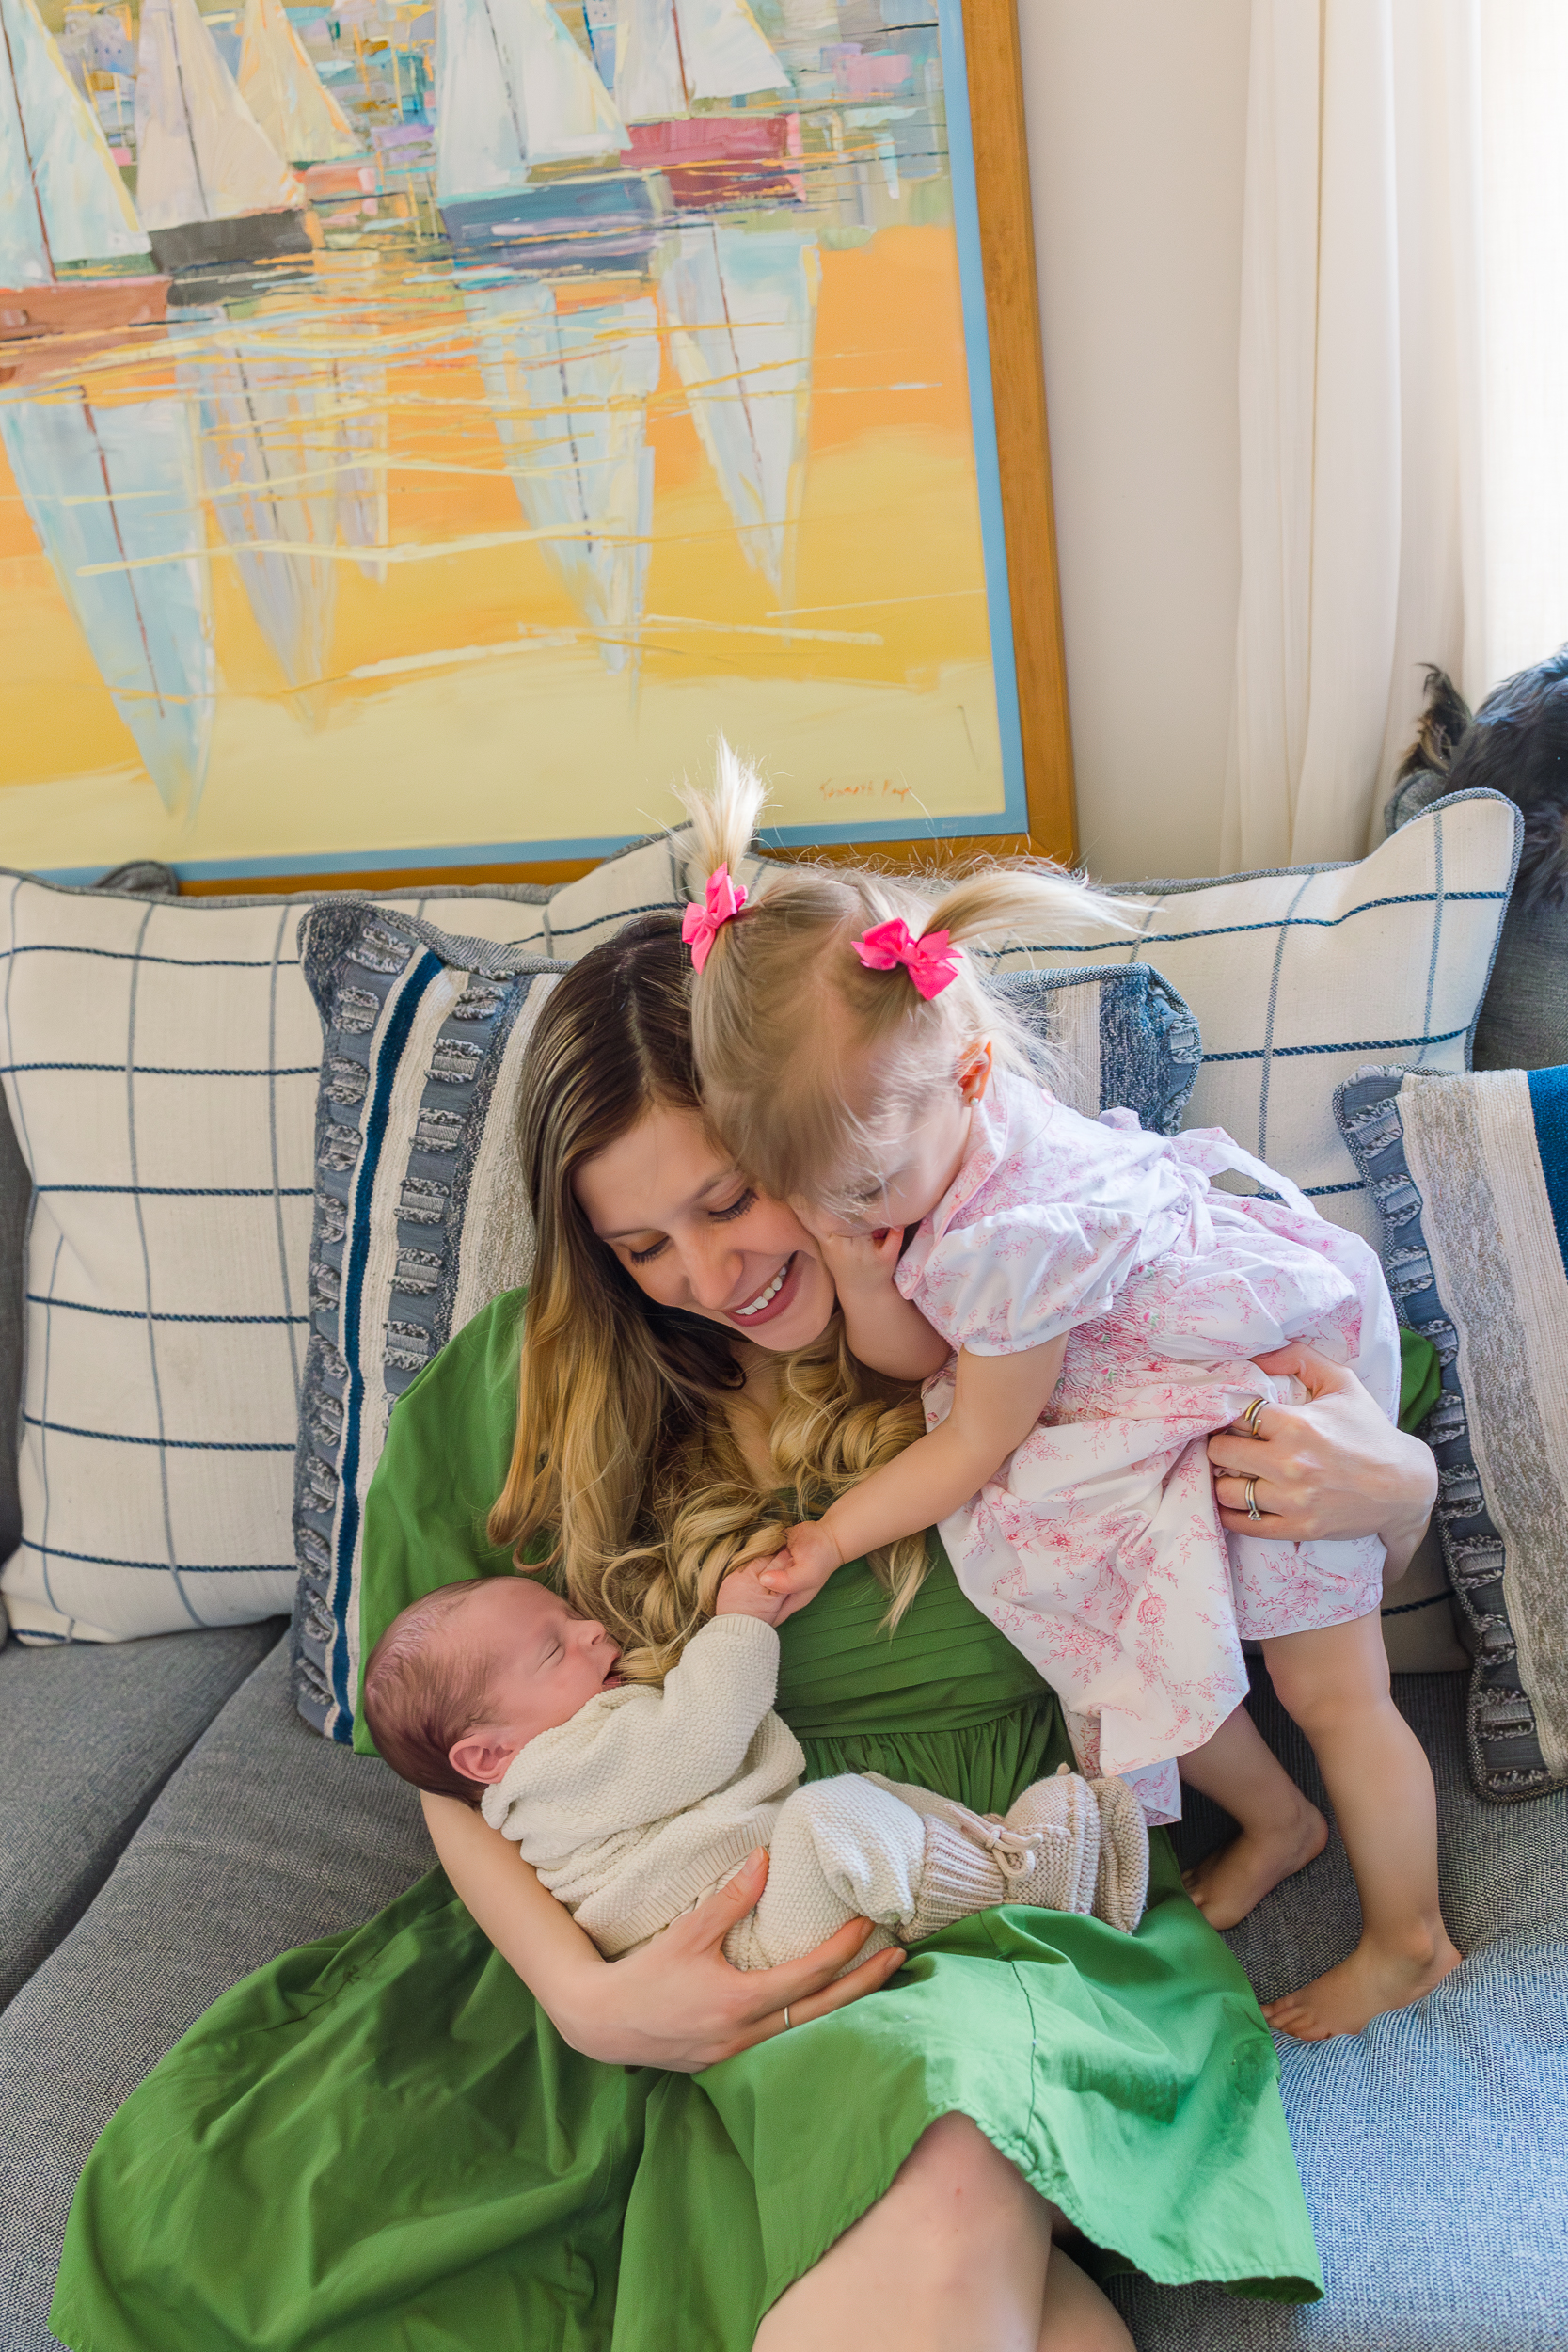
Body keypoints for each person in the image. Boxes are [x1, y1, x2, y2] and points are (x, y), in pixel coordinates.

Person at [49, 910, 1441, 2352]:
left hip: (973, 1903)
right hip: (655, 1911)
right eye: (640, 1243)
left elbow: (1326, 1519)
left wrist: (1388, 1485)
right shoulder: (508, 1395)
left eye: (728, 1203)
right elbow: (448, 1771)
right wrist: (586, 1999)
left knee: (941, 2139)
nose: (710, 1278)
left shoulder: (1025, 1307)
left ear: (816, 1139)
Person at [680, 752, 1461, 2042]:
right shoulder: (914, 1145)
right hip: (1137, 1399)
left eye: (864, 1195)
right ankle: (1280, 1822)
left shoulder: (1010, 1232)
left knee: (1330, 1692)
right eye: (809, 1198)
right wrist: (855, 1254)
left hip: (1260, 1393)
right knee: (1124, 1651)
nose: (838, 1220)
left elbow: (974, 1435)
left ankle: (1406, 1938)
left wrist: (830, 1536)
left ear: (974, 1076)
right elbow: (920, 1354)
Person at [363, 1568, 1149, 1966]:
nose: (594, 1631)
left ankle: (1002, 1855)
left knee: (851, 1815)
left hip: (771, 1918)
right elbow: (697, 1740)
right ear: (488, 1754)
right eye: (553, 1648)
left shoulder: (553, 1759)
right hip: (744, 1949)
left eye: (573, 1617)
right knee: (826, 1816)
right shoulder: (554, 1774)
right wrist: (736, 1623)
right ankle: (1023, 1888)